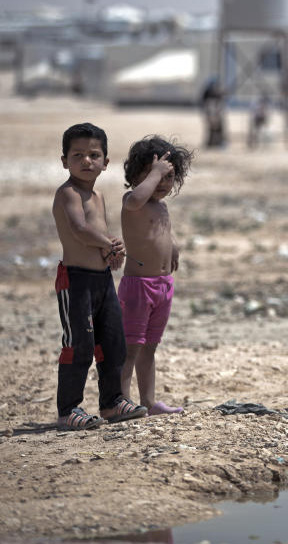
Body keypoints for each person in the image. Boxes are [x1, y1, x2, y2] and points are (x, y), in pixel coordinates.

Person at [52, 123, 148, 430]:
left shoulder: (99, 196)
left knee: (113, 342)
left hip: (102, 280)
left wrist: (112, 253)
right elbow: (80, 230)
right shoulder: (68, 193)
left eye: (94, 155)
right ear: (64, 160)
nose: (86, 161)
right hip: (76, 281)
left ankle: (111, 402)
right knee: (78, 344)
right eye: (78, 155)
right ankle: (69, 408)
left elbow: (100, 233)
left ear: (106, 162)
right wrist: (109, 242)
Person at [119, 135, 194, 416]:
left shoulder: (161, 206)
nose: (163, 183)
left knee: (149, 348)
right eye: (156, 176)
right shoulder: (133, 200)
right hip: (138, 288)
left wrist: (172, 244)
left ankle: (148, 402)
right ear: (138, 175)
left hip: (163, 286)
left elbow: (163, 231)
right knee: (130, 349)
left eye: (169, 177)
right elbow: (136, 198)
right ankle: (120, 401)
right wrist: (154, 174)